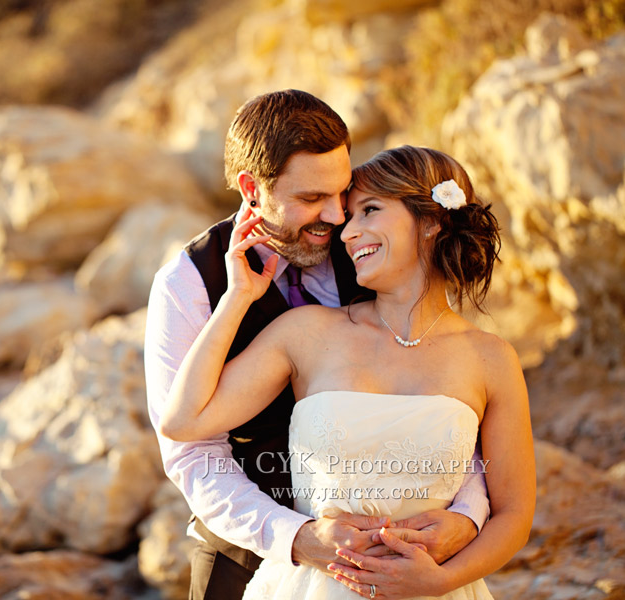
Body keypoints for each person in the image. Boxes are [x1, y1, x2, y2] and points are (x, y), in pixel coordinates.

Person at [144, 90, 491, 599]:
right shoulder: (187, 284)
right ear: (251, 190)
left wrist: (467, 516)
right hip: (249, 538)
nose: (336, 216)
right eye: (310, 199)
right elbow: (190, 452)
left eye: (343, 192)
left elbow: (449, 395)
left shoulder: (373, 247)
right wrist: (298, 538)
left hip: (397, 551)